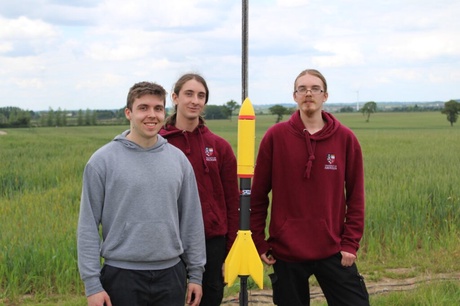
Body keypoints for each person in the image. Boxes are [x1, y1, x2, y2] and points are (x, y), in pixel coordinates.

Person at [77, 81, 206, 306]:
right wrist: (92, 285)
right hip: (121, 275)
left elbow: (192, 221)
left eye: (158, 108)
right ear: (129, 113)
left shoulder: (178, 161)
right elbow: (87, 226)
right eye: (143, 108)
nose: (152, 115)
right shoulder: (102, 162)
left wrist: (195, 274)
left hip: (171, 274)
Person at [250, 69, 370, 306]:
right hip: (286, 251)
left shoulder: (345, 139)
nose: (308, 93)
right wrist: (258, 241)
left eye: (315, 88)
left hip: (333, 249)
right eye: (302, 89)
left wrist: (350, 243)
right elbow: (258, 195)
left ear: (325, 96)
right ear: (294, 96)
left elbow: (356, 196)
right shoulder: (275, 137)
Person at [160, 73, 240, 306]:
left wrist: (230, 251)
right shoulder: (159, 143)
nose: (195, 100)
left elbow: (232, 201)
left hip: (211, 243)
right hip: (169, 242)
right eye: (189, 94)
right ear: (175, 97)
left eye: (201, 95)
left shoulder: (219, 147)